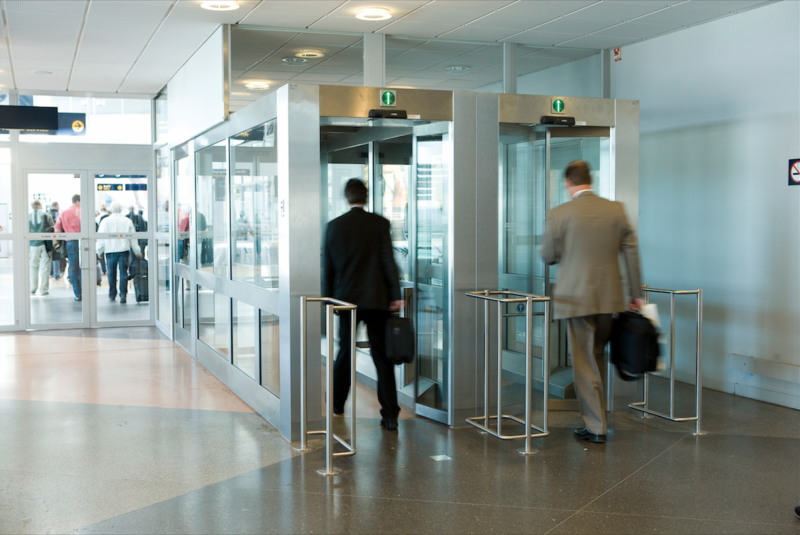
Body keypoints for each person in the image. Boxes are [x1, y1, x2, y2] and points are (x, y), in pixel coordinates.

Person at [540, 160, 643, 444]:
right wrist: (637, 294)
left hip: (576, 299)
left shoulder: (559, 214)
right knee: (596, 356)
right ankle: (599, 415)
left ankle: (596, 426)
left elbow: (548, 255)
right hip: (610, 298)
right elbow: (631, 253)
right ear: (590, 180)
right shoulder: (616, 210)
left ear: (568, 182)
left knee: (584, 361)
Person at [324, 179, 403, 431]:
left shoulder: (334, 227)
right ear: (366, 197)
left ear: (347, 197)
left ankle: (337, 404)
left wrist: (328, 299)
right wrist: (395, 294)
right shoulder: (380, 224)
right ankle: (390, 415)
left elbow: (328, 269)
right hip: (377, 300)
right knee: (382, 358)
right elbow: (388, 261)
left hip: (346, 300)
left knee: (345, 352)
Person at [97, 203, 141, 304]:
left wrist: (100, 251)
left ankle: (112, 294)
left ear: (111, 210)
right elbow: (132, 237)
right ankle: (123, 294)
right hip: (123, 250)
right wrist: (137, 251)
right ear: (121, 210)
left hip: (110, 251)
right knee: (123, 273)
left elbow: (100, 238)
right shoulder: (127, 221)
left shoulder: (105, 221)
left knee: (111, 273)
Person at [54, 194, 82, 302]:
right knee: (87, 267)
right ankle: (88, 291)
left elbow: (57, 231)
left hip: (70, 242)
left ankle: (78, 294)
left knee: (74, 268)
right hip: (85, 242)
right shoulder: (84, 211)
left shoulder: (64, 213)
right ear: (78, 201)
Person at [28, 201, 53, 296]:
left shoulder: (27, 217)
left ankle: (33, 288)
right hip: (45, 245)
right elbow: (52, 228)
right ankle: (44, 289)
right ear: (39, 206)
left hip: (33, 244)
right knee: (45, 267)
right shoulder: (46, 215)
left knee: (33, 266)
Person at [48, 202, 64, 280]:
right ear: (57, 206)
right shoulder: (59, 214)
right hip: (57, 237)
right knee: (57, 255)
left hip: (48, 237)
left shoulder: (47, 214)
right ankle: (57, 274)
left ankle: (50, 272)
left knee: (49, 254)